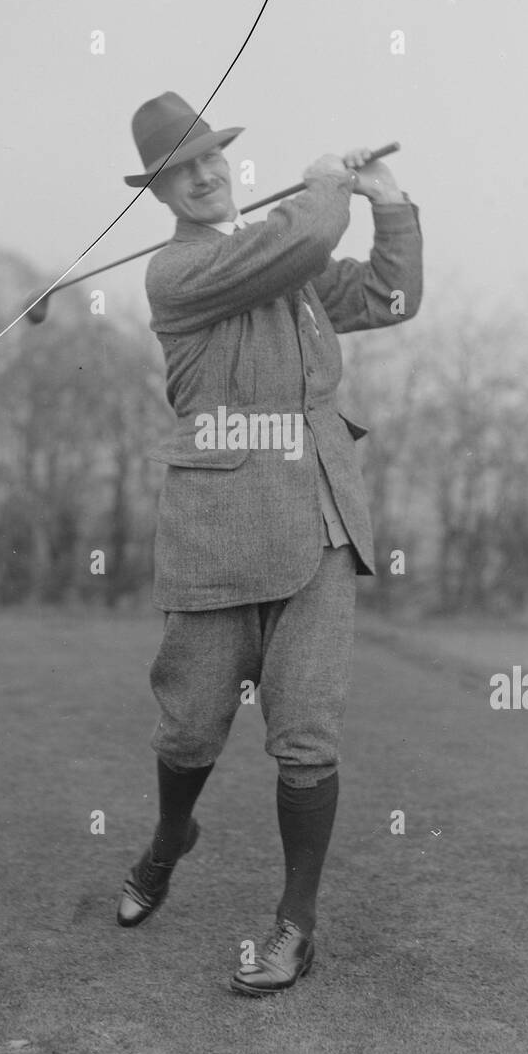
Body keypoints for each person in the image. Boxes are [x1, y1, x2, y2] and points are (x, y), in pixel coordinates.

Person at [117, 91, 423, 995]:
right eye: (185, 169)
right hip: (217, 533)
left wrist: (389, 201)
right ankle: (173, 834)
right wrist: (328, 187)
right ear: (161, 192)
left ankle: (294, 925)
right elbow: (293, 243)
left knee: (306, 737)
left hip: (323, 521)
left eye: (214, 157)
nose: (207, 174)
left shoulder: (281, 261)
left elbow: (388, 295)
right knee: (189, 728)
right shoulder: (177, 275)